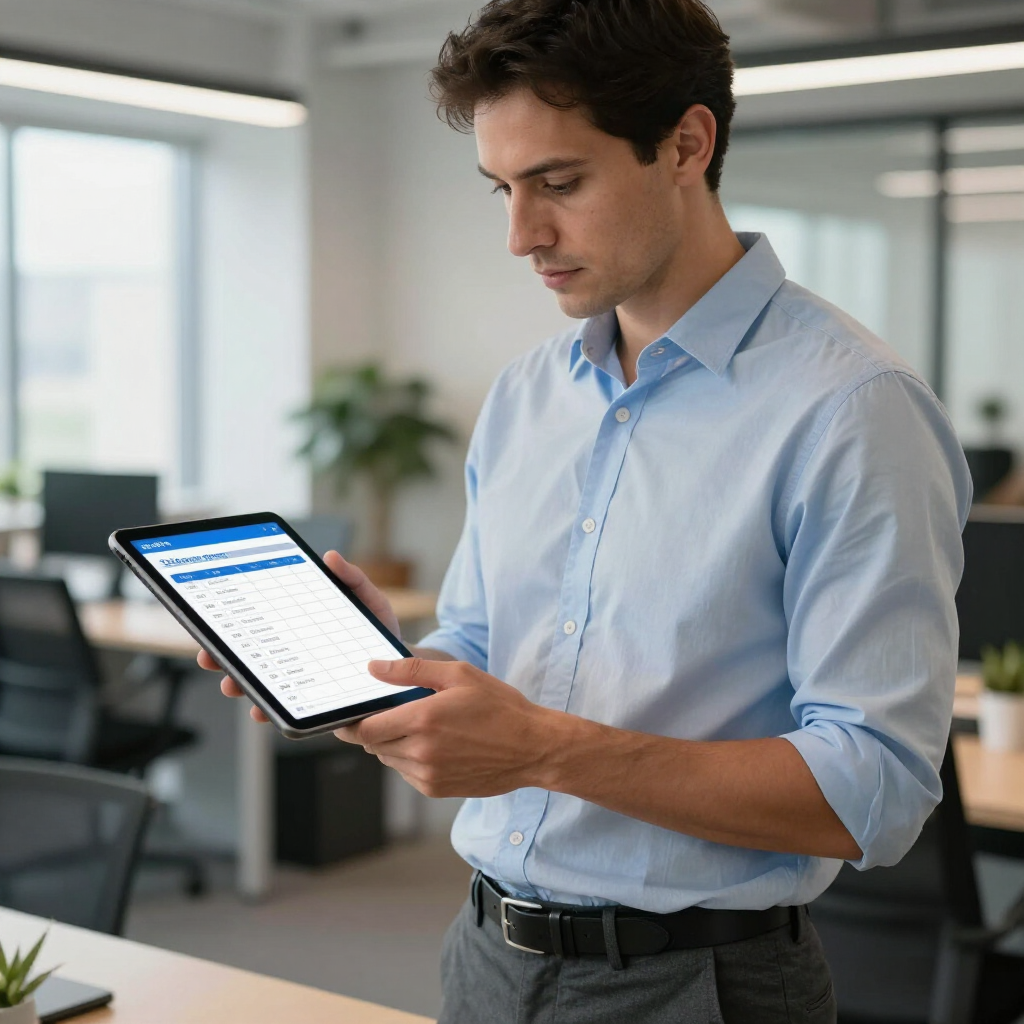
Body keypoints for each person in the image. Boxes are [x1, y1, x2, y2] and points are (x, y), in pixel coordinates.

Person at [201, 1, 972, 1019]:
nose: (522, 235)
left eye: (559, 183)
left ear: (686, 144)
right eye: (502, 190)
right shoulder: (528, 393)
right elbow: (484, 638)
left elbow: (872, 787)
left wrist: (543, 749)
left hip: (701, 982)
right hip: (485, 953)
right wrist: (383, 671)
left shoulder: (852, 409)